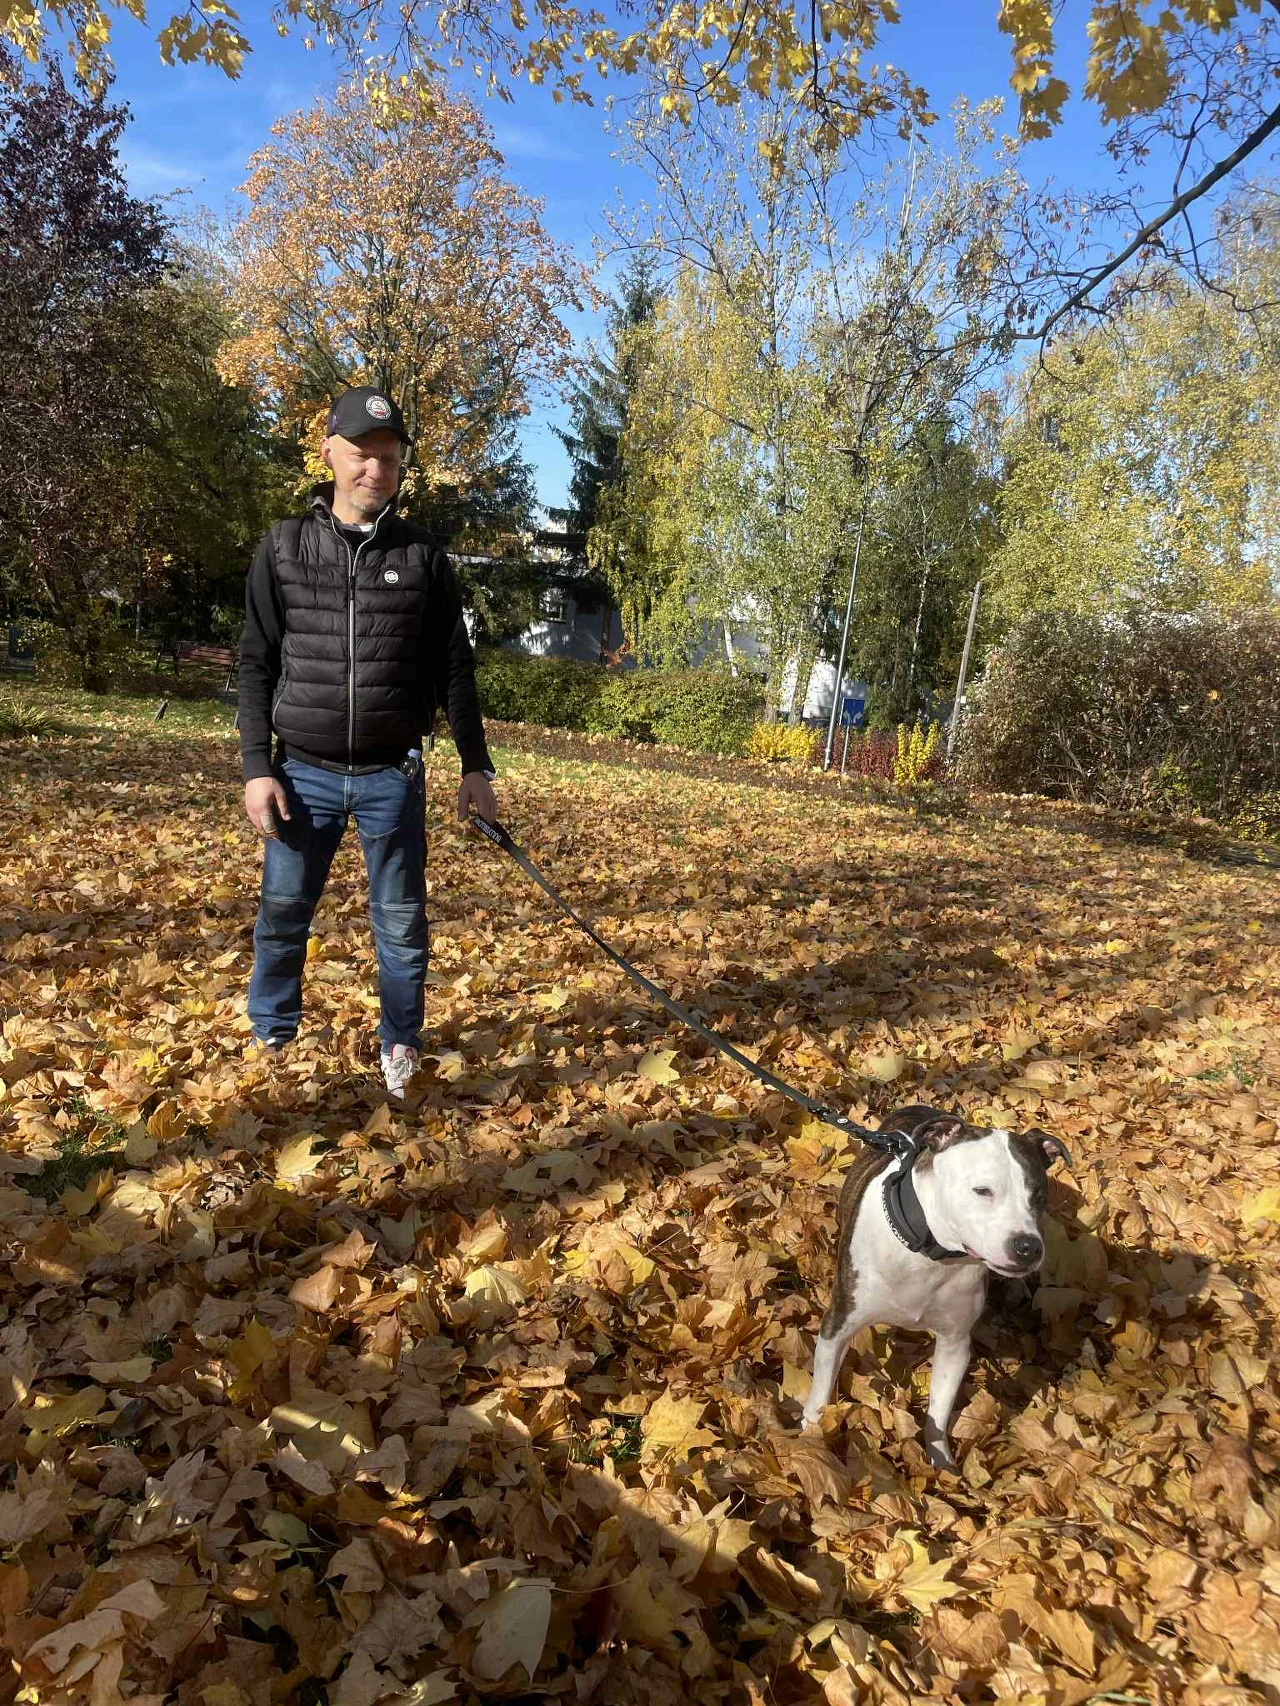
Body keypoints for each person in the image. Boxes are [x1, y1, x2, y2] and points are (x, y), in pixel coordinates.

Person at [237, 386, 497, 1097]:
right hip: (302, 775)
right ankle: (273, 1036)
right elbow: (256, 660)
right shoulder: (284, 546)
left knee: (402, 926)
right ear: (329, 453)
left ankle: (401, 1048)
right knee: (285, 914)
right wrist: (257, 766)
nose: (375, 471)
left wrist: (476, 766)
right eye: (361, 455)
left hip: (393, 777)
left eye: (389, 458)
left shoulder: (422, 558)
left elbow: (454, 667)